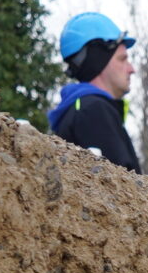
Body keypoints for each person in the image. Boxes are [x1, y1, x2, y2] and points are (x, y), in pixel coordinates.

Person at [49, 11, 140, 173]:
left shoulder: (80, 108)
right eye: (122, 59)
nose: (131, 69)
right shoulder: (93, 110)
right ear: (98, 62)